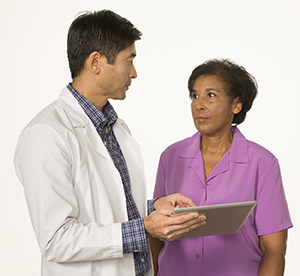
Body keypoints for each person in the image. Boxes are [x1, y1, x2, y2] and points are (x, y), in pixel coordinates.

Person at [14, 10, 206, 276]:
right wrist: (145, 228)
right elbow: (56, 240)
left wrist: (153, 208)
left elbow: (109, 205)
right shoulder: (46, 134)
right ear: (96, 62)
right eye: (129, 60)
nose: (135, 73)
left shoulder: (111, 126)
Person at [150, 59, 293, 276]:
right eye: (194, 95)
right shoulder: (171, 157)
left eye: (211, 95)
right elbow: (155, 234)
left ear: (236, 105)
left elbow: (273, 248)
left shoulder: (262, 163)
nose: (199, 104)